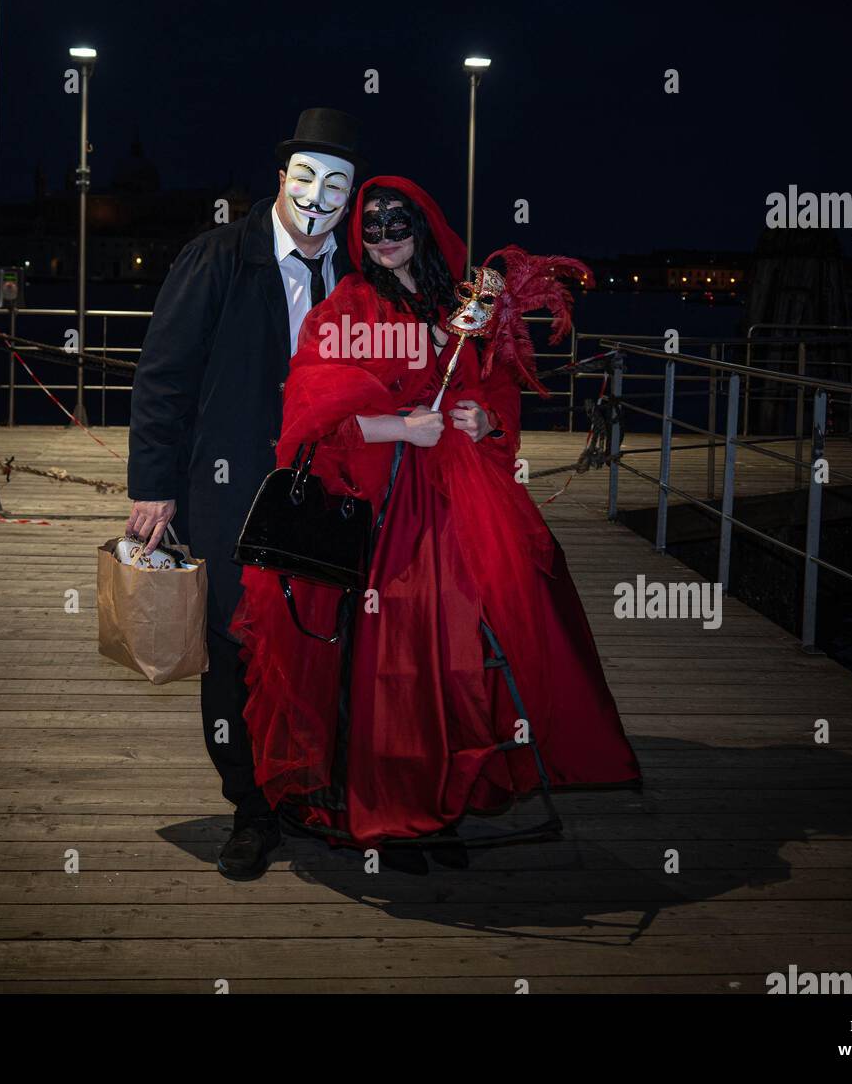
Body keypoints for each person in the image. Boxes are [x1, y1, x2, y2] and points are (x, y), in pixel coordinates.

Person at [229, 175, 641, 873]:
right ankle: (390, 813)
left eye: (400, 225)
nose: (387, 238)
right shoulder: (345, 309)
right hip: (382, 506)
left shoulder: (463, 306)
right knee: (388, 664)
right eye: (373, 228)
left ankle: (446, 801)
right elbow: (309, 415)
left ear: (422, 226)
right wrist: (398, 425)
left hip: (460, 502)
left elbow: (496, 392)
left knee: (457, 657)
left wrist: (486, 421)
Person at [126, 107, 362, 880]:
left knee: (311, 644)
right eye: (306, 177)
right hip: (229, 490)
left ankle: (306, 792)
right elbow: (163, 376)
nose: (318, 196)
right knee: (233, 650)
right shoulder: (218, 257)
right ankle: (250, 808)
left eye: (337, 184)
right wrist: (154, 488)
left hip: (322, 496)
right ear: (281, 178)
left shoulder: (356, 277)